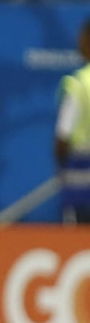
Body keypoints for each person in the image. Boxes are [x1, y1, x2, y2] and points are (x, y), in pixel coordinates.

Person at [55, 19, 90, 223]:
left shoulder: (79, 84)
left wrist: (62, 166)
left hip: (80, 172)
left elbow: (63, 135)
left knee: (79, 237)